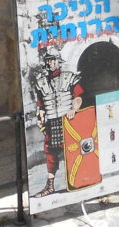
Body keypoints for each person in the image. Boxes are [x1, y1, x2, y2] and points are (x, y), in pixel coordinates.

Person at [31, 46, 83, 197]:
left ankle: (75, 180)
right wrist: (40, 117)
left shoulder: (69, 77)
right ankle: (50, 186)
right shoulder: (41, 83)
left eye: (52, 60)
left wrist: (74, 108)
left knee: (72, 149)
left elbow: (78, 96)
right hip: (51, 122)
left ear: (58, 61)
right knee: (51, 153)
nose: (50, 63)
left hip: (68, 120)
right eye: (48, 60)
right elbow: (41, 104)